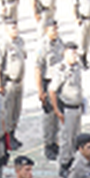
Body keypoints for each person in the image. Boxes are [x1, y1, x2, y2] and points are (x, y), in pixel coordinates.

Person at [50, 43, 84, 178]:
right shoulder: (61, 70)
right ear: (64, 53)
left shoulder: (77, 68)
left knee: (76, 137)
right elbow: (52, 90)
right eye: (71, 54)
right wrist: (57, 110)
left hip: (77, 107)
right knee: (66, 139)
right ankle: (64, 164)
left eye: (76, 53)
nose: (74, 56)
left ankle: (72, 162)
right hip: (67, 108)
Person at [36, 20, 64, 161]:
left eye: (56, 29)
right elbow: (38, 68)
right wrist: (40, 90)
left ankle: (54, 142)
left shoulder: (60, 42)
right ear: (46, 30)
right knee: (49, 115)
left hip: (58, 83)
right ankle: (48, 144)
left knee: (57, 113)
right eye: (52, 30)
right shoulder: (43, 45)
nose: (55, 32)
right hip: (48, 82)